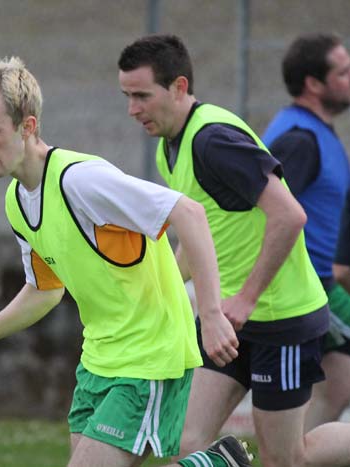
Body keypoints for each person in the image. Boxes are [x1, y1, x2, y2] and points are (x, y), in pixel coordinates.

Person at [0, 57, 253, 467]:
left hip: (150, 357)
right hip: (98, 359)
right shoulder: (17, 201)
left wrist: (212, 313)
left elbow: (190, 214)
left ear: (28, 126)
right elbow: (46, 289)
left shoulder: (82, 180)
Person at [118, 33, 350, 467]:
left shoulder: (214, 140)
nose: (133, 109)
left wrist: (247, 297)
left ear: (179, 87)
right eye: (127, 96)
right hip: (228, 320)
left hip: (282, 320)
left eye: (142, 96)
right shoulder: (170, 151)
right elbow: (200, 239)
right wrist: (152, 293)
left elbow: (290, 216)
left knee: (285, 459)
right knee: (185, 442)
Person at [262, 33, 350, 430]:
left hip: (320, 284)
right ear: (314, 84)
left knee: (336, 389)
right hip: (310, 288)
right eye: (343, 72)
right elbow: (263, 214)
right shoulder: (300, 141)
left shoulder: (314, 132)